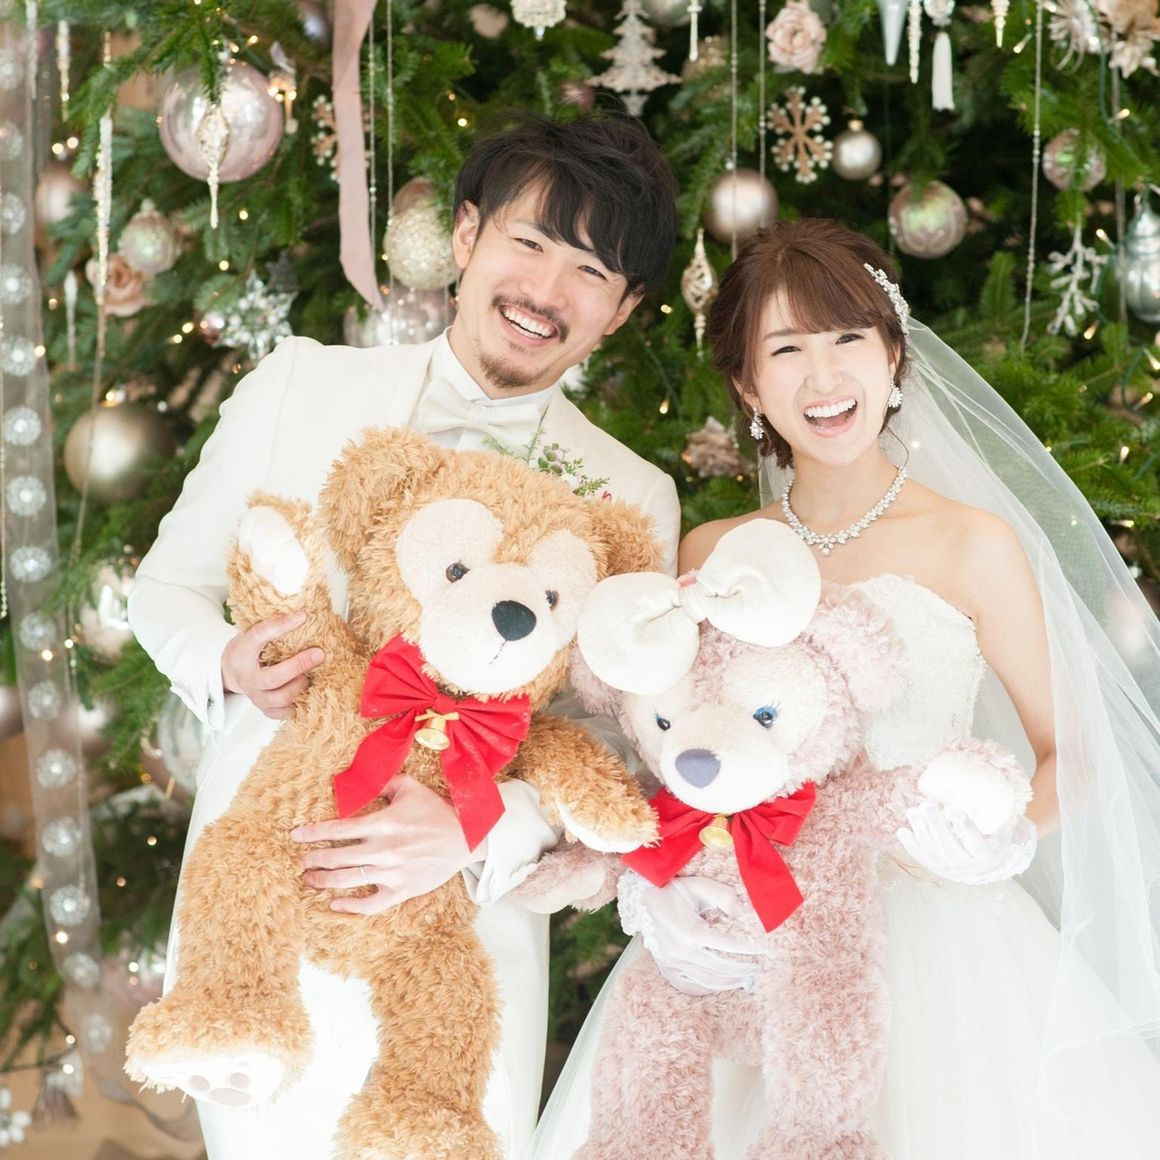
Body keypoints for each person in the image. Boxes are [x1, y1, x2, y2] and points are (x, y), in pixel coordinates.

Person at [532, 218, 1160, 1158]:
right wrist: (651, 890)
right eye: (787, 349)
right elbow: (682, 752)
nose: (824, 378)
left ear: (892, 354)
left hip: (939, 941)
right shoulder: (715, 552)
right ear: (750, 385)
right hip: (747, 931)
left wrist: (1001, 839)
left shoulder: (972, 543)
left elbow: (1073, 752)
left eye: (847, 338)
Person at [127, 112, 681, 1160]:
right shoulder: (298, 383)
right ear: (466, 236)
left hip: (458, 917)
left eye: (589, 271)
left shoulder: (630, 496)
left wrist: (474, 827)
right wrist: (226, 662)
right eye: (527, 242)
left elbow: (614, 743)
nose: (544, 290)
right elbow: (165, 590)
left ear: (622, 310)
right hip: (265, 877)